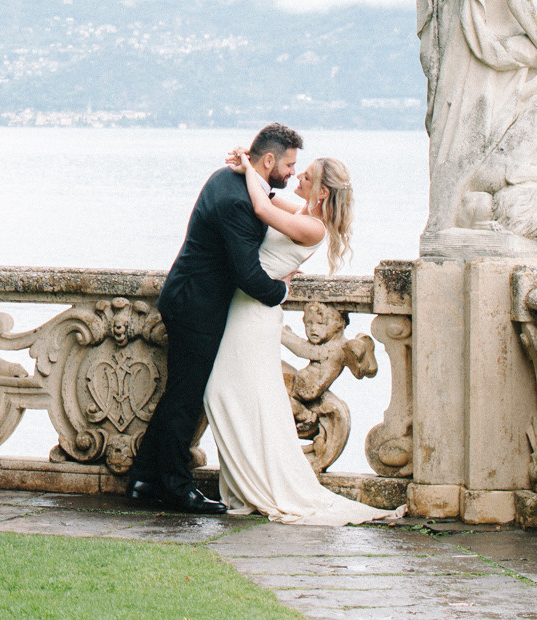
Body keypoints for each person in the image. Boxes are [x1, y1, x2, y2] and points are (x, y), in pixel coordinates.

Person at [201, 149, 398, 524]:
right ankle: (247, 480)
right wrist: (254, 168)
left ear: (322, 192)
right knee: (237, 394)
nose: (299, 178)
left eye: (306, 176)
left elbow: (262, 209)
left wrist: (248, 170)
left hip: (255, 313)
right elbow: (269, 197)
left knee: (228, 392)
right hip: (246, 307)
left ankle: (258, 482)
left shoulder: (314, 227)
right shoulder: (302, 213)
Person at [126, 121, 301, 513]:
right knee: (187, 399)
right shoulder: (237, 201)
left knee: (180, 394)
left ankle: (144, 478)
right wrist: (284, 289)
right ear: (268, 159)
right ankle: (175, 486)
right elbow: (250, 277)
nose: (291, 172)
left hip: (190, 297)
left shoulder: (230, 179)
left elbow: (263, 198)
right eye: (288, 165)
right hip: (196, 306)